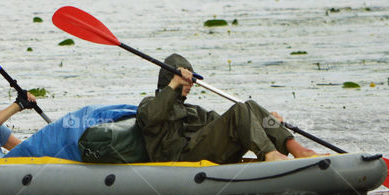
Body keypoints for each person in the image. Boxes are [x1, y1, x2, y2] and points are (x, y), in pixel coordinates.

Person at [137, 54, 323, 163]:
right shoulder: (149, 104)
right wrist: (174, 83)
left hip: (198, 151)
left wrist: (269, 121)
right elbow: (154, 116)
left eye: (190, 79)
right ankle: (270, 154)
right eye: (184, 78)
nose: (190, 83)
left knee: (249, 107)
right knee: (240, 110)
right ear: (171, 78)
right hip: (177, 159)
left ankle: (298, 150)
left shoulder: (193, 110)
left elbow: (233, 125)